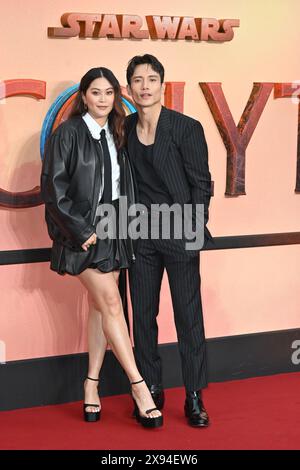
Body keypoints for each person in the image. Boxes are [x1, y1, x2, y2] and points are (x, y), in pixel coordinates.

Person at [40, 67, 163, 428]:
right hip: (82, 236)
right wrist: (81, 231)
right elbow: (53, 189)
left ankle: (90, 385)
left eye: (109, 92)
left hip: (113, 231)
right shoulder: (69, 134)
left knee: (99, 307)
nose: (104, 100)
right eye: (96, 93)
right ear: (83, 96)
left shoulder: (117, 132)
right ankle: (139, 387)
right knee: (111, 302)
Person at [125, 54, 213, 427]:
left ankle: (194, 396)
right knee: (142, 315)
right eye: (137, 80)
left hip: (179, 233)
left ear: (162, 85)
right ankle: (151, 389)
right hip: (140, 234)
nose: (145, 86)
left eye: (151, 79)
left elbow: (201, 184)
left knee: (188, 316)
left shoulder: (185, 128)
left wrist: (193, 230)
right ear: (129, 87)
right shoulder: (124, 127)